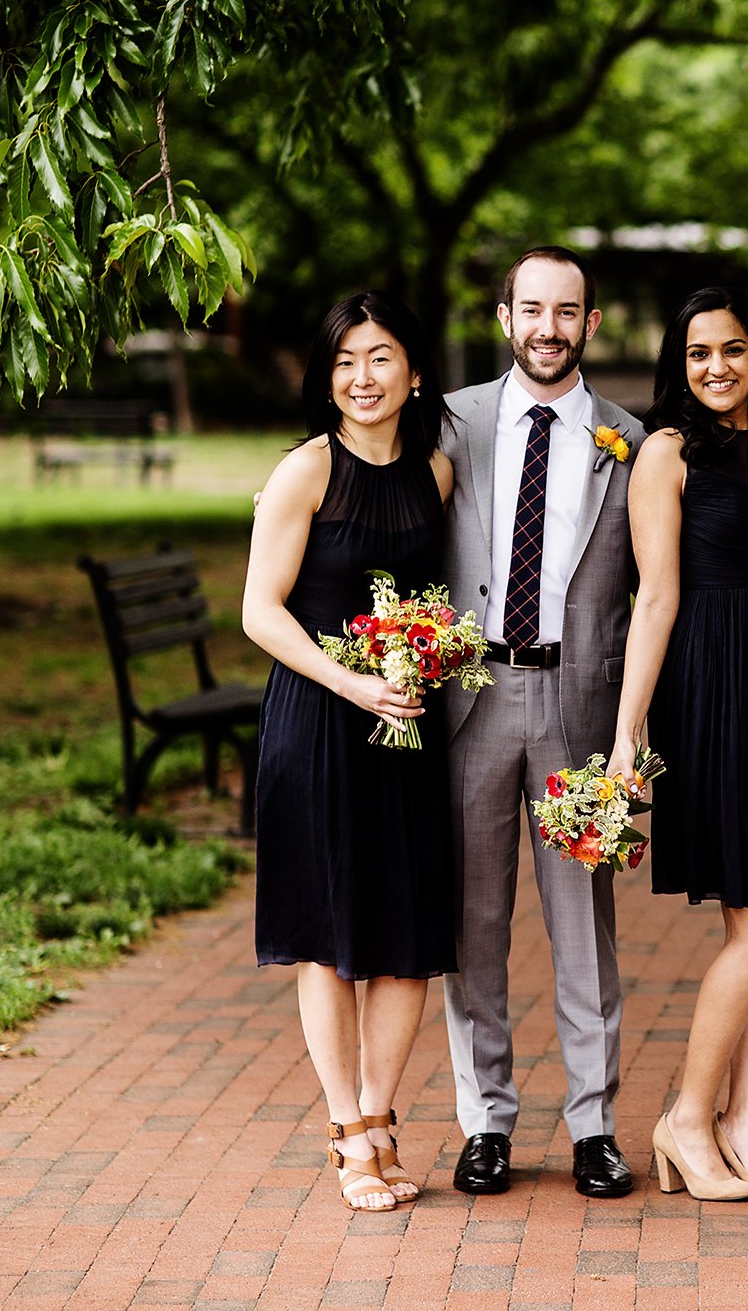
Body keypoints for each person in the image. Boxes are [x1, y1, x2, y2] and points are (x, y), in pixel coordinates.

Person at [607, 288, 748, 1201]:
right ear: (680, 364)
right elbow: (654, 596)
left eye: (732, 351)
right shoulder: (666, 453)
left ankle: (746, 1122)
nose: (715, 368)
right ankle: (686, 1120)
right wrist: (626, 733)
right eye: (698, 354)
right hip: (710, 683)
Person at [440, 246, 645, 1199]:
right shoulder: (450, 423)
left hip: (579, 708)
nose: (548, 328)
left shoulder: (630, 440)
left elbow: (659, 583)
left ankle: (592, 1126)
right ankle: (484, 1121)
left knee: (583, 929)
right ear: (504, 316)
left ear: (591, 324)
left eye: (567, 311)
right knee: (474, 921)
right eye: (532, 309)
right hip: (472, 699)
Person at [245, 291, 456, 1212]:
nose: (362, 379)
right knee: (328, 941)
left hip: (407, 729)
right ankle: (344, 1131)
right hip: (322, 722)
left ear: (412, 370)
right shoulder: (305, 471)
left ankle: (379, 1115)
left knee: (407, 936)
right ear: (325, 377)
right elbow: (260, 610)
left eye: (379, 358)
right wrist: (352, 681)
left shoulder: (437, 473)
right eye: (344, 362)